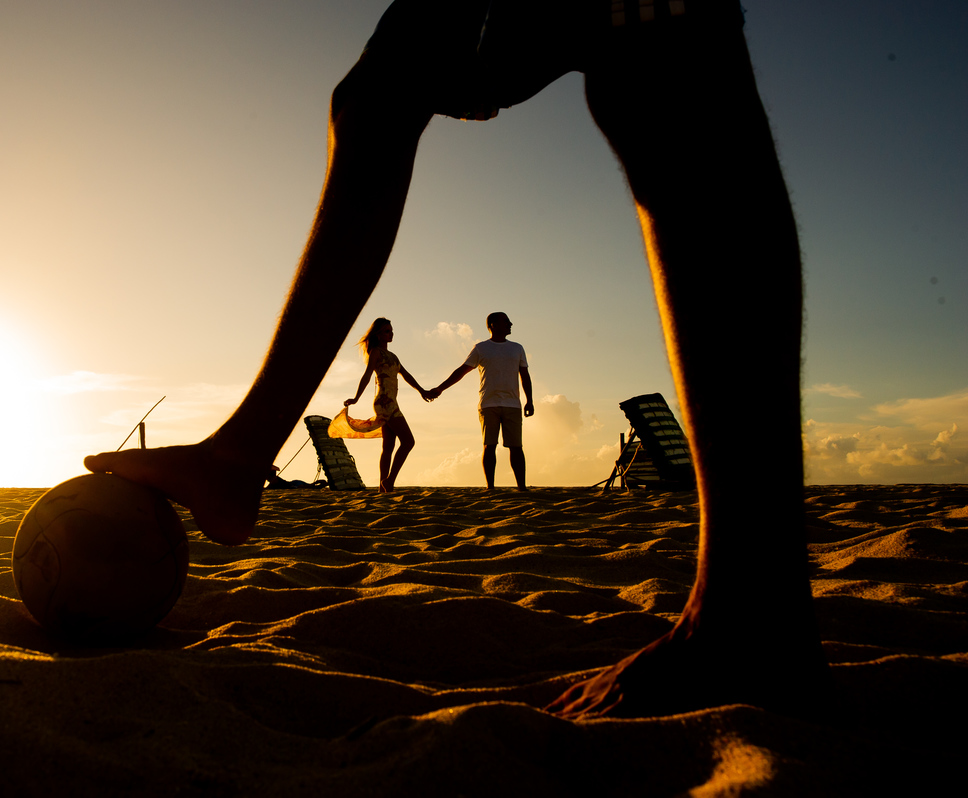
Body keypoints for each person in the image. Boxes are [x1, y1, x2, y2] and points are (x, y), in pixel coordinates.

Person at [86, 0, 831, 719]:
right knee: (401, 96)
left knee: (663, 69)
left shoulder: (492, 347)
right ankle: (239, 455)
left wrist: (455, 387)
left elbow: (439, 372)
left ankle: (750, 614)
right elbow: (416, 372)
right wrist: (423, 387)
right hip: (438, 401)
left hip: (452, 398)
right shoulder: (463, 350)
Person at [430, 312, 533, 490]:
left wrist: (529, 400)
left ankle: (521, 487)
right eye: (506, 321)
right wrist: (440, 388)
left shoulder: (517, 348)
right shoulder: (481, 348)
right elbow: (461, 371)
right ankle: (490, 487)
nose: (510, 324)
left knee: (516, 446)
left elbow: (525, 375)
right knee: (489, 445)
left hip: (512, 404)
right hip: (488, 403)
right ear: (493, 325)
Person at [337, 317, 432, 493]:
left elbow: (407, 375)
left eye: (391, 330)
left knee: (388, 447)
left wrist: (422, 391)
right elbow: (366, 376)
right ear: (378, 335)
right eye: (387, 331)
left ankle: (383, 487)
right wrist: (356, 398)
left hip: (391, 402)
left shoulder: (393, 356)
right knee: (408, 441)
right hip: (384, 402)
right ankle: (389, 481)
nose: (391, 334)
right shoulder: (376, 352)